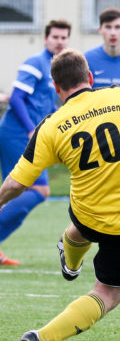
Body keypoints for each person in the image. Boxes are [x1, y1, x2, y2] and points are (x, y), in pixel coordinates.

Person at [2, 48, 120, 341]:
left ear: (57, 88)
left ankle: (71, 261)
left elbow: (14, 184)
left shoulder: (50, 126)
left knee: (80, 225)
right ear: (90, 77)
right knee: (107, 294)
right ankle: (42, 339)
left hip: (89, 216)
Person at [0, 19, 71, 266]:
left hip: (30, 136)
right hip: (16, 134)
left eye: (64, 38)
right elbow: (17, 99)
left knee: (16, 195)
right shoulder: (35, 63)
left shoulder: (56, 68)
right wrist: (32, 130)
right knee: (38, 191)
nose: (59, 42)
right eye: (55, 37)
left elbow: (44, 104)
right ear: (46, 39)